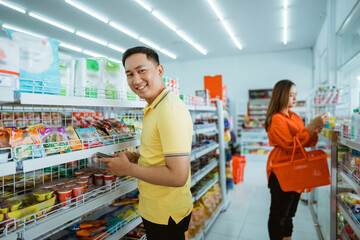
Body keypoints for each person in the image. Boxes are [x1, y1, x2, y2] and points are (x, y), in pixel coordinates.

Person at [99, 46, 193, 240]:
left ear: (159, 70)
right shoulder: (154, 107)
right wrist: (136, 157)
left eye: (142, 71)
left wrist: (127, 169)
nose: (136, 80)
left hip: (166, 213)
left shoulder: (169, 110)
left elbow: (177, 176)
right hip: (156, 209)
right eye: (130, 74)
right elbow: (160, 153)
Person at [265, 79, 328, 240]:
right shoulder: (276, 119)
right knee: (279, 215)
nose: (295, 98)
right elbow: (289, 145)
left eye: (296, 95)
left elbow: (306, 141)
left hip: (297, 169)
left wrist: (314, 129)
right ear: (281, 96)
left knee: (289, 214)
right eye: (291, 95)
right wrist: (309, 129)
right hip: (283, 170)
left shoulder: (295, 116)